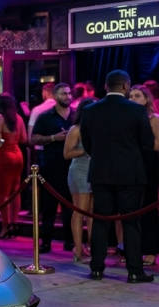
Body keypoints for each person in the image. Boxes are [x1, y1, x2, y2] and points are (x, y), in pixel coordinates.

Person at [80, 69, 155, 283]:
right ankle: (134, 271)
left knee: (101, 221)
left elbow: (87, 143)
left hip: (101, 173)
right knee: (131, 223)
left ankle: (96, 269)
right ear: (126, 86)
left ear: (106, 86)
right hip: (130, 175)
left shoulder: (91, 110)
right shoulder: (136, 110)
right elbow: (147, 143)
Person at [31, 83, 74, 253]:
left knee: (70, 207)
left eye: (70, 93)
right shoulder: (45, 116)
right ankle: (46, 242)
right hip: (50, 166)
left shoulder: (77, 115)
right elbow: (33, 139)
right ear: (56, 96)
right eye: (64, 94)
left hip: (72, 166)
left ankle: (70, 241)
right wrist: (53, 138)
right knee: (48, 207)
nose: (68, 97)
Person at [129, 84, 159, 266]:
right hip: (132, 167)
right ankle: (133, 249)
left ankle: (151, 249)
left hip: (149, 167)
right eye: (131, 96)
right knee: (131, 210)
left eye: (137, 96)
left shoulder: (155, 119)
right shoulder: (127, 119)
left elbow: (157, 145)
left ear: (146, 99)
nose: (133, 99)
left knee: (149, 209)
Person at [64, 97, 98, 263]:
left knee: (92, 212)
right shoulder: (75, 130)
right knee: (80, 210)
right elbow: (67, 154)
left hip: (95, 172)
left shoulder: (97, 128)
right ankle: (78, 249)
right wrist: (85, 149)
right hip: (80, 171)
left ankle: (91, 248)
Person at [0, 94, 27, 239]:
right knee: (15, 192)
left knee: (3, 194)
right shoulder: (18, 118)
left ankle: (5, 226)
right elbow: (24, 139)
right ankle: (14, 223)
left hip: (4, 155)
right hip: (18, 155)